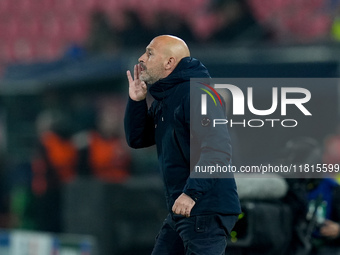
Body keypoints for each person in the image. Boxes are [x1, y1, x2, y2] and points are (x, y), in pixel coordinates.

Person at [124, 35, 241, 254]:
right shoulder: (169, 97)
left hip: (204, 206)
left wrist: (192, 193)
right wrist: (137, 102)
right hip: (184, 208)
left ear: (169, 62)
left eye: (149, 53)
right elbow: (137, 139)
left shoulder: (197, 93)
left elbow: (218, 150)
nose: (141, 58)